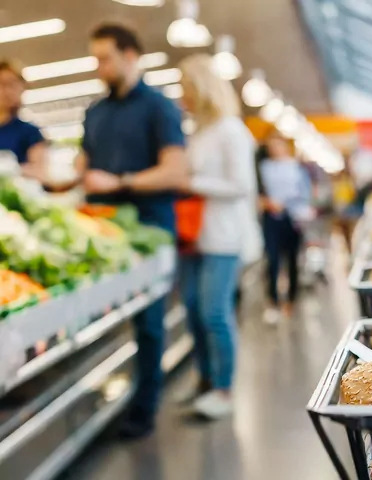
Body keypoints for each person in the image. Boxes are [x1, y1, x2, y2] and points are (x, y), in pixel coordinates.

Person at [76, 24, 187, 438]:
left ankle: (144, 407)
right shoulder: (95, 112)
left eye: (104, 57)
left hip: (150, 229)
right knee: (99, 321)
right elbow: (83, 167)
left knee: (149, 324)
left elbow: (176, 171)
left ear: (130, 55)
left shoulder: (160, 107)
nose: (98, 66)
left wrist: (119, 182)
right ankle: (102, 399)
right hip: (103, 233)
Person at [176, 54, 261, 418]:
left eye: (186, 89)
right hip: (195, 236)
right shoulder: (200, 132)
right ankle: (205, 379)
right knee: (194, 310)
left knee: (214, 313)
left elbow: (241, 185)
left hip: (224, 237)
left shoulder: (230, 130)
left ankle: (224, 390)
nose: (183, 97)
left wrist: (191, 183)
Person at [258, 134, 313, 324]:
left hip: (293, 218)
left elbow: (305, 194)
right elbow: (257, 193)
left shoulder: (296, 168)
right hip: (271, 219)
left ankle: (291, 299)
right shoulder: (263, 169)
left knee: (292, 260)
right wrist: (266, 203)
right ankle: (273, 300)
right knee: (272, 260)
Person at [0, 59, 47, 170]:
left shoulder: (30, 133)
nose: (7, 91)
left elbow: (39, 171)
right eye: (2, 84)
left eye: (13, 84)